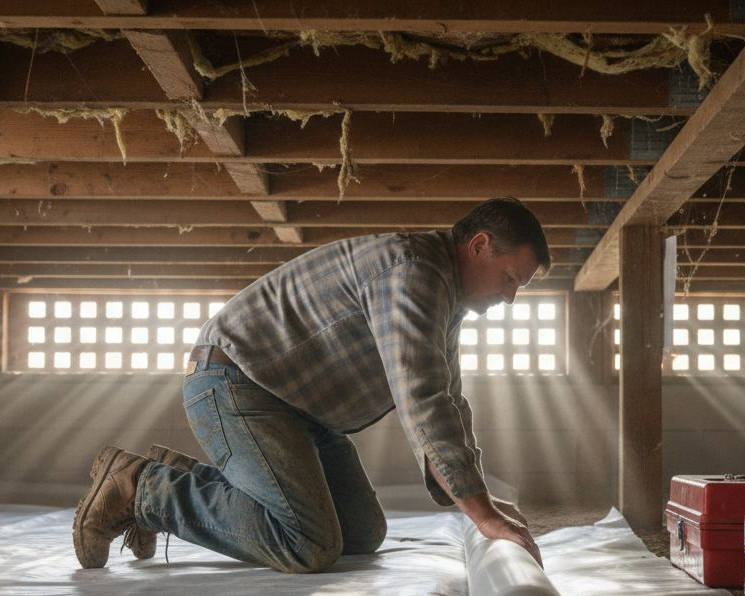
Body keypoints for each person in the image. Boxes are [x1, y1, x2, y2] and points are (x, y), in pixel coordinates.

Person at [72, 198, 550, 573]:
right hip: (237, 384)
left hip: (296, 410)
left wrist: (478, 497)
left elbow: (449, 401)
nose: (509, 298)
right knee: (309, 544)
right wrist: (484, 518)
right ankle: (144, 487)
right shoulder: (413, 271)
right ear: (480, 246)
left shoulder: (444, 298)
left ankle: (178, 476)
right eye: (510, 279)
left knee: (361, 533)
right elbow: (421, 401)